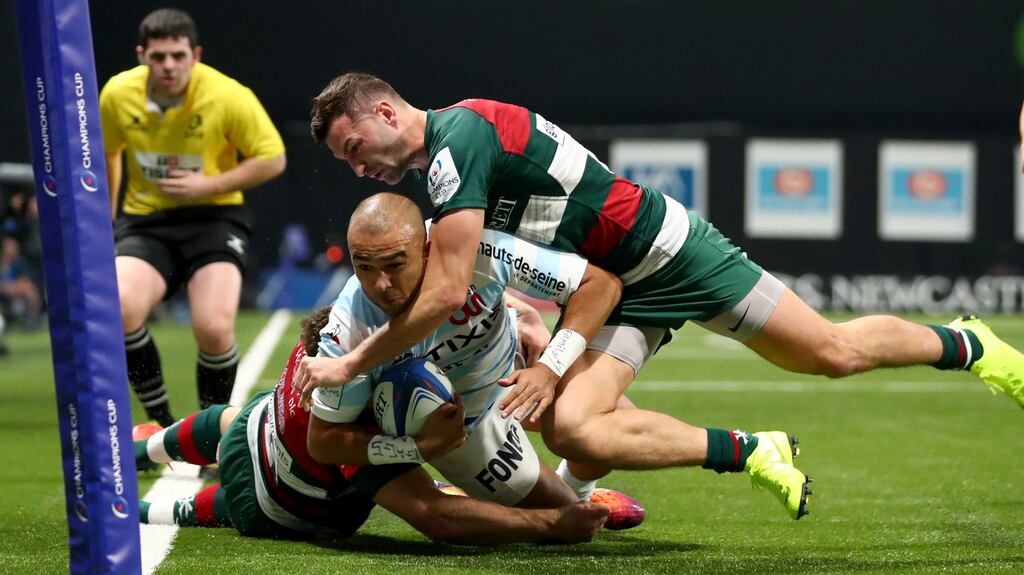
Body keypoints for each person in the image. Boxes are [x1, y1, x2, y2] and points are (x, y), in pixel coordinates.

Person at [302, 72, 1024, 520]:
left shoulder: (456, 148)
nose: (357, 167)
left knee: (830, 353)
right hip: (613, 282)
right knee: (575, 428)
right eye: (345, 162)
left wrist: (347, 365)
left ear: (388, 113)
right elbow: (501, 265)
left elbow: (446, 289)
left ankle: (968, 342)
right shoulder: (452, 157)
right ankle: (731, 456)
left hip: (669, 252)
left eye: (354, 147)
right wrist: (529, 318)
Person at [305, 193, 646, 527]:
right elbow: (321, 442)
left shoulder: (474, 243)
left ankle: (576, 488)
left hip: (513, 363)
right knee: (569, 517)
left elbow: (599, 285)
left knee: (605, 435)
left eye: (395, 264)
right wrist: (417, 448)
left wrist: (549, 365)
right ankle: (564, 499)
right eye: (364, 267)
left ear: (426, 250)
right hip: (463, 425)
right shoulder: (346, 334)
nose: (381, 284)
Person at [132, 306, 609, 544]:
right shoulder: (348, 417)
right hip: (278, 505)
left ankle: (141, 454)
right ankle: (141, 512)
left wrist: (507, 314)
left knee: (227, 418)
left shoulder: (335, 340)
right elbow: (433, 514)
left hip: (257, 430)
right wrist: (548, 524)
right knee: (233, 504)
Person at [100, 8, 286, 426]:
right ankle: (161, 425)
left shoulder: (227, 95)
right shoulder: (116, 94)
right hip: (146, 220)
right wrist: (106, 218)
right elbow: (109, 151)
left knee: (214, 327)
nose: (169, 65)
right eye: (159, 56)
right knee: (120, 305)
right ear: (141, 55)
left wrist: (205, 185)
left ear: (195, 55)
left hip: (215, 218)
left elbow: (273, 158)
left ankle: (209, 432)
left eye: (177, 55)